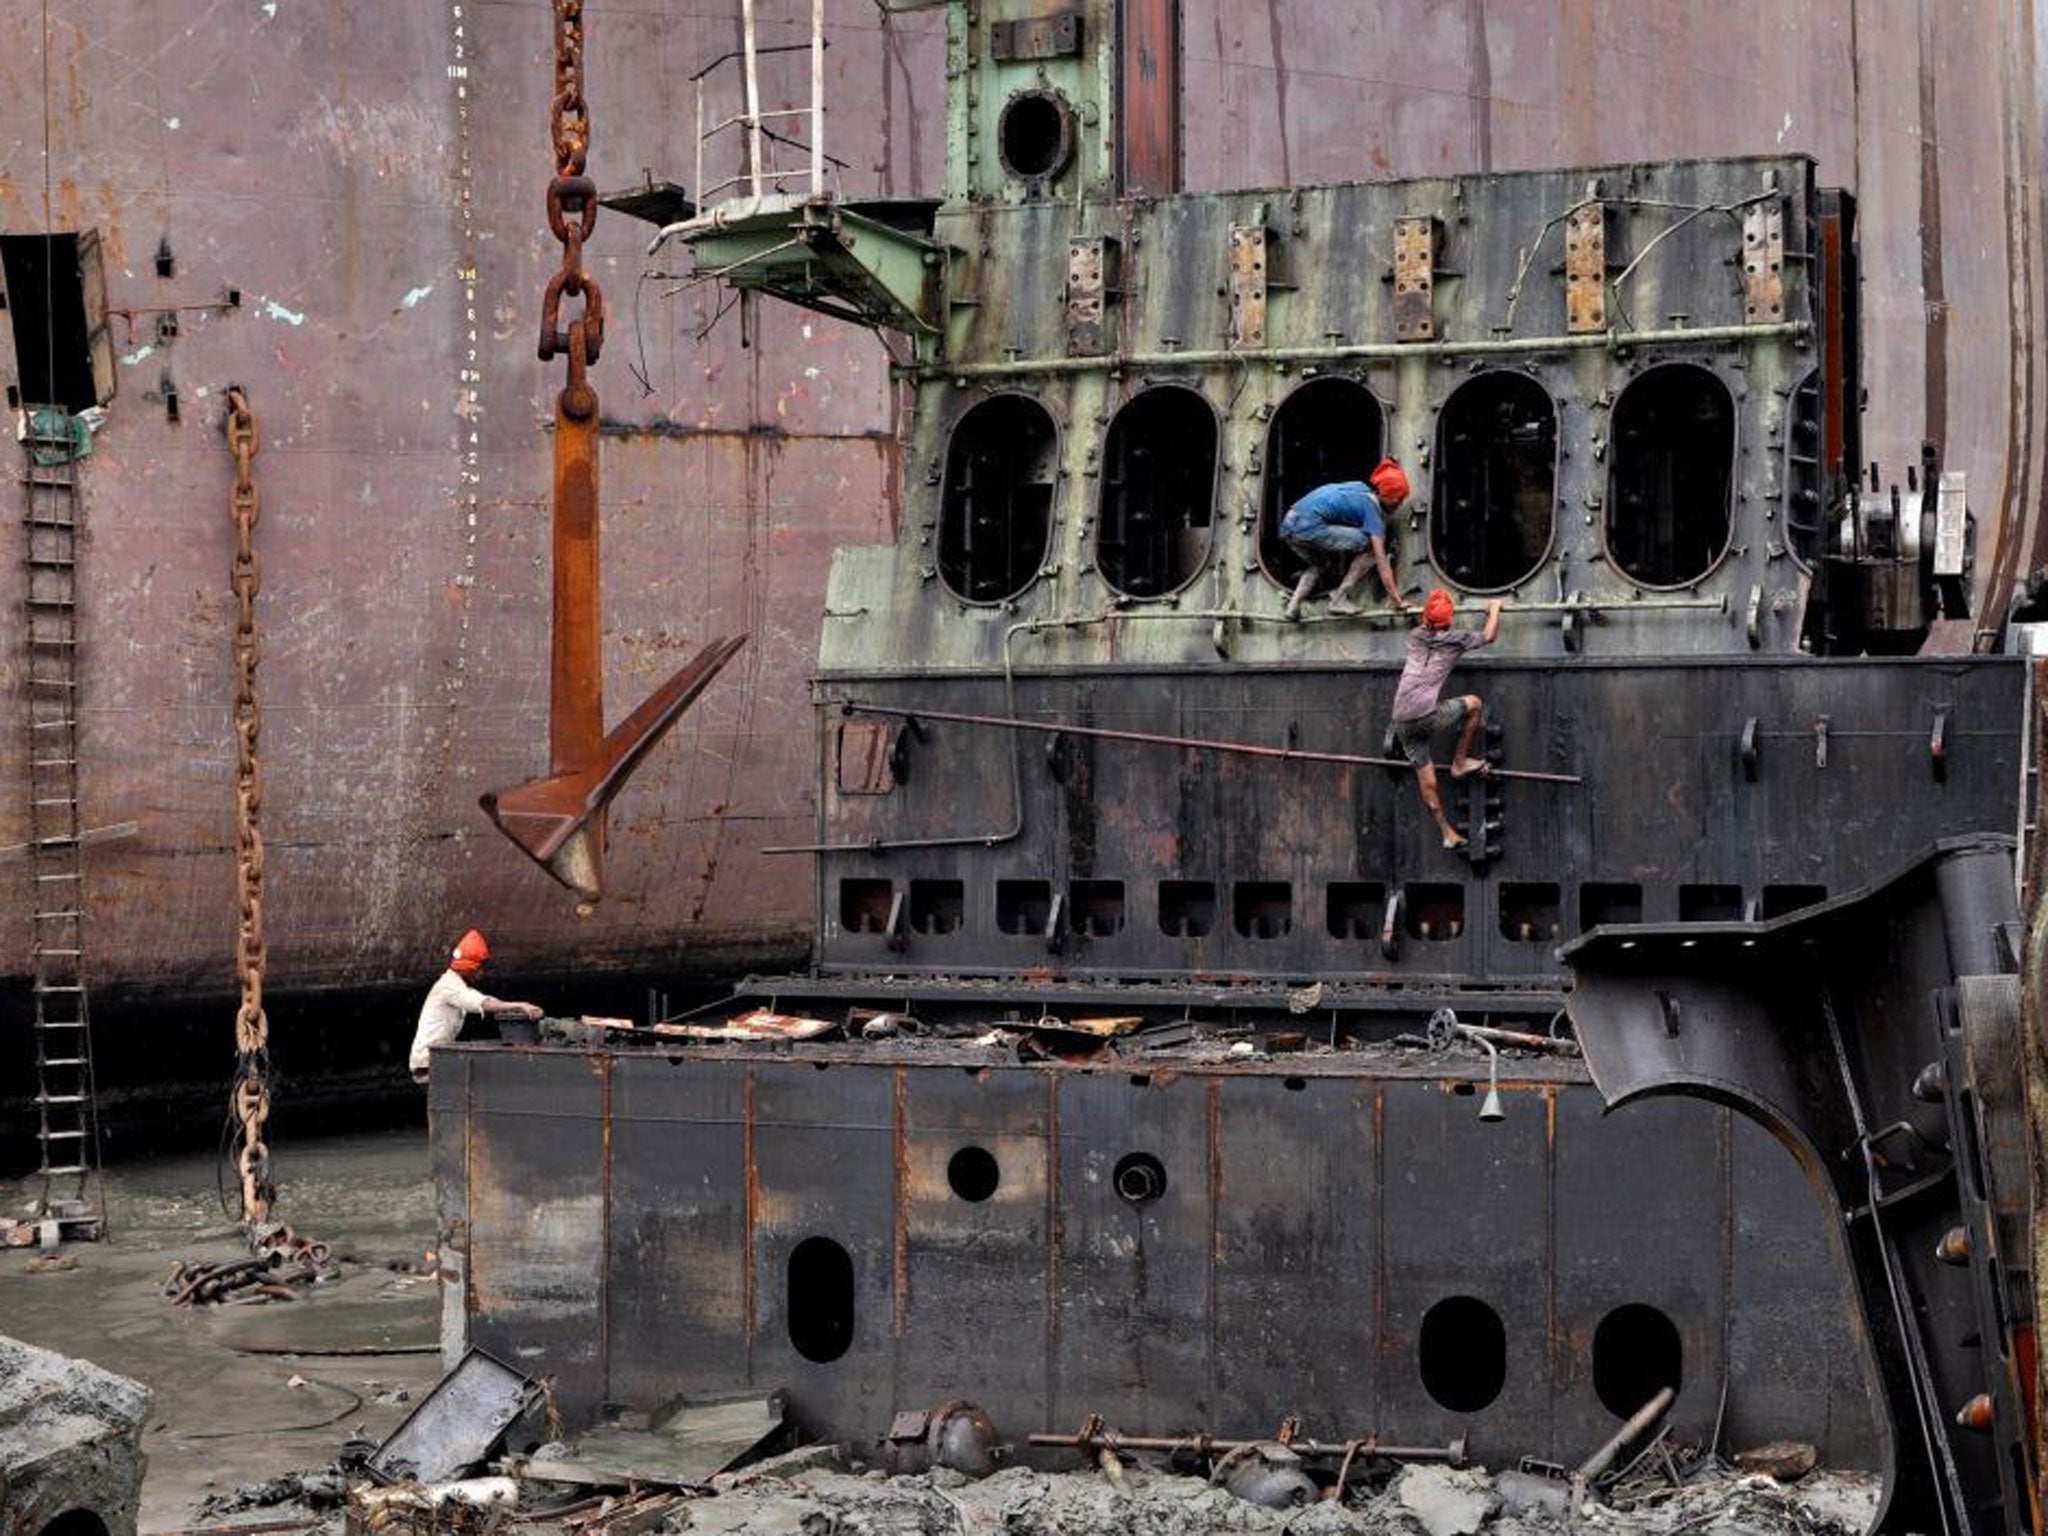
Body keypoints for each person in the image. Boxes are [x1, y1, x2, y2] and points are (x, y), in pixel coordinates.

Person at [1391, 589, 1502, 849]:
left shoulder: (1415, 636)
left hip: (1401, 721)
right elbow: (1489, 636)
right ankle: (1460, 762)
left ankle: (1447, 833)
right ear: (1449, 621)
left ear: (1423, 616)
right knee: (1474, 704)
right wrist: (1494, 608)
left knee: (1427, 781)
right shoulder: (1456, 639)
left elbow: (1429, 627)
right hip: (1428, 716)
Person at [1279, 458, 1413, 619]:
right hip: (1309, 527)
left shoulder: (1359, 487)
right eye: (1397, 499)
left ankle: (1293, 606)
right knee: (1371, 549)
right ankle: (1339, 599)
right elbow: (1382, 562)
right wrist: (1397, 601)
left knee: (1320, 564)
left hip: (1289, 523)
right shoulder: (1372, 512)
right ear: (1384, 494)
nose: (1400, 504)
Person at [407, 929, 541, 1084]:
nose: (481, 974)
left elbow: (486, 999)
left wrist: (516, 1007)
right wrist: (522, 1005)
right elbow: (484, 1003)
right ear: (469, 968)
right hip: (427, 1064)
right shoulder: (450, 988)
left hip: (436, 1061)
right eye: (479, 969)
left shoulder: (454, 984)